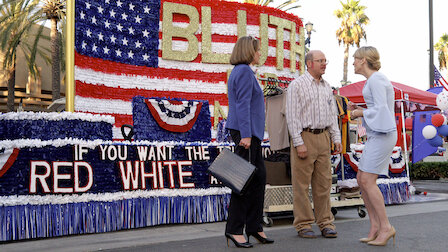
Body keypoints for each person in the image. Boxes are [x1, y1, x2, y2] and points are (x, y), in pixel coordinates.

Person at [285, 50, 342, 239]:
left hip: (323, 136)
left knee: (324, 183)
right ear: (309, 63)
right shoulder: (297, 86)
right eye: (320, 61)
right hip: (305, 136)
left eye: (325, 61)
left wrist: (336, 138)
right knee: (301, 185)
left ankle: (326, 222)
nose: (324, 64)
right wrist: (299, 142)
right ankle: (303, 224)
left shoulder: (327, 87)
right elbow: (292, 116)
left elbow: (332, 115)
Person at [224, 36, 274, 248]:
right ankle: (235, 230)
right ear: (248, 51)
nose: (260, 53)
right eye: (257, 50)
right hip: (246, 133)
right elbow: (242, 104)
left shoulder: (242, 71)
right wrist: (245, 134)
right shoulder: (243, 71)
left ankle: (254, 226)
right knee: (243, 180)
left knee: (258, 178)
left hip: (251, 133)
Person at [349, 46, 397, 246]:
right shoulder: (375, 80)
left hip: (382, 135)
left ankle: (385, 227)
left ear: (363, 60)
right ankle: (376, 226)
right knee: (362, 179)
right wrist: (361, 109)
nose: (353, 62)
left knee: (367, 180)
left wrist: (359, 113)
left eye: (355, 59)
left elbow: (381, 109)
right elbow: (378, 108)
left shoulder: (376, 79)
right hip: (378, 134)